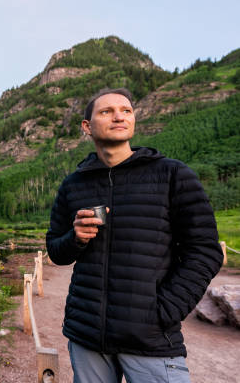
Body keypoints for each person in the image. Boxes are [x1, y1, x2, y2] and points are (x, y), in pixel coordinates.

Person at [45, 88, 223, 383]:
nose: (118, 116)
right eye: (106, 111)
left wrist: (163, 311)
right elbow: (56, 250)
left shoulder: (172, 175)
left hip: (151, 340)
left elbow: (205, 251)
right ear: (87, 126)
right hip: (87, 337)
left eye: (126, 111)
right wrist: (75, 237)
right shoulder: (73, 185)